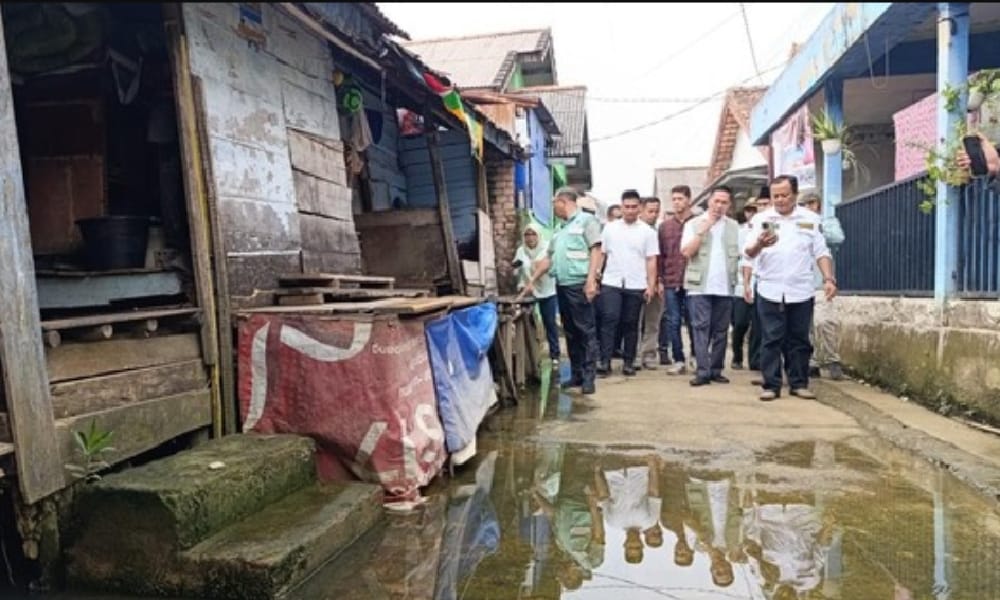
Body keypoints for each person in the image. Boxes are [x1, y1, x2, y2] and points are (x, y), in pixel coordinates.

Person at [744, 175, 837, 401]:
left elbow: (821, 252)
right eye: (776, 196)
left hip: (801, 288)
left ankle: (799, 383)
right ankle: (771, 385)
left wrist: (828, 279)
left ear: (795, 195)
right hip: (769, 287)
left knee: (799, 339)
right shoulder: (761, 219)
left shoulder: (810, 219)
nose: (780, 200)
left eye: (785, 195)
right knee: (771, 338)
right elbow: (748, 253)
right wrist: (759, 244)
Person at [522, 187, 603, 395]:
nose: (552, 207)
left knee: (585, 330)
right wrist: (531, 280)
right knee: (570, 332)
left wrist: (592, 280)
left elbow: (596, 249)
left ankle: (588, 377)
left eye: (554, 203)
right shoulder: (559, 229)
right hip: (563, 285)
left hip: (579, 284)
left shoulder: (586, 221)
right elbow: (548, 259)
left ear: (563, 201)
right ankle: (576, 374)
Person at [681, 186, 741, 387]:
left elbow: (742, 256)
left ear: (729, 205)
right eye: (716, 201)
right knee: (700, 328)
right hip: (700, 286)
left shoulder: (734, 226)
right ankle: (702, 371)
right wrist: (703, 230)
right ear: (709, 201)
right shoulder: (693, 224)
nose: (719, 206)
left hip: (725, 286)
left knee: (721, 330)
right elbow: (687, 252)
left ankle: (716, 369)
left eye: (724, 202)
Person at [596, 190, 659, 377]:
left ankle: (629, 362)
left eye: (634, 207)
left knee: (631, 323)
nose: (630, 211)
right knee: (609, 320)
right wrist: (596, 276)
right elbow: (603, 254)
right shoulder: (610, 228)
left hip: (636, 283)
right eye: (627, 207)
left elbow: (651, 260)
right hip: (612, 281)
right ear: (621, 207)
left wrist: (651, 285)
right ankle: (605, 361)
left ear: (639, 208)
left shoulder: (647, 232)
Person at [800, 192, 846, 381]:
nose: (808, 207)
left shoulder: (827, 221)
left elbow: (838, 238)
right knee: (806, 326)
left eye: (811, 203)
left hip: (821, 282)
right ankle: (812, 361)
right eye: (804, 204)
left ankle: (832, 359)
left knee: (824, 321)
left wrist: (815, 226)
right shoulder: (796, 223)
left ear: (817, 204)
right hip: (801, 282)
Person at [658, 185, 697, 375]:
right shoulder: (665, 227)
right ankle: (679, 359)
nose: (676, 202)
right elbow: (660, 255)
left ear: (689, 200)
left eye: (680, 198)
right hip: (671, 279)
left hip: (693, 280)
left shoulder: (699, 222)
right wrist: (659, 279)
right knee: (673, 321)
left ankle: (697, 357)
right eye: (673, 199)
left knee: (694, 320)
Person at [515, 223, 560, 365]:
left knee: (549, 322)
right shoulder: (521, 251)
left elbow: (546, 266)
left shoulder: (547, 248)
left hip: (547, 290)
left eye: (533, 234)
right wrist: (520, 282)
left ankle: (555, 354)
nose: (530, 238)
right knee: (528, 322)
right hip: (529, 291)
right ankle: (533, 354)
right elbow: (518, 270)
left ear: (539, 235)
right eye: (527, 234)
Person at [637, 196, 665, 369]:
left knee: (653, 321)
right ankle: (631, 355)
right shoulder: (633, 231)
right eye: (650, 211)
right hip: (636, 282)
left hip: (657, 283)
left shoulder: (660, 232)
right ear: (641, 210)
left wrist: (659, 281)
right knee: (633, 321)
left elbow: (663, 258)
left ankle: (648, 355)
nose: (653, 215)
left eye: (656, 211)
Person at [731, 198, 759, 370]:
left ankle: (755, 360)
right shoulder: (739, 232)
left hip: (761, 283)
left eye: (754, 210)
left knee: (758, 325)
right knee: (740, 323)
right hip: (741, 283)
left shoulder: (768, 230)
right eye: (748, 210)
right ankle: (737, 355)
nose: (751, 213)